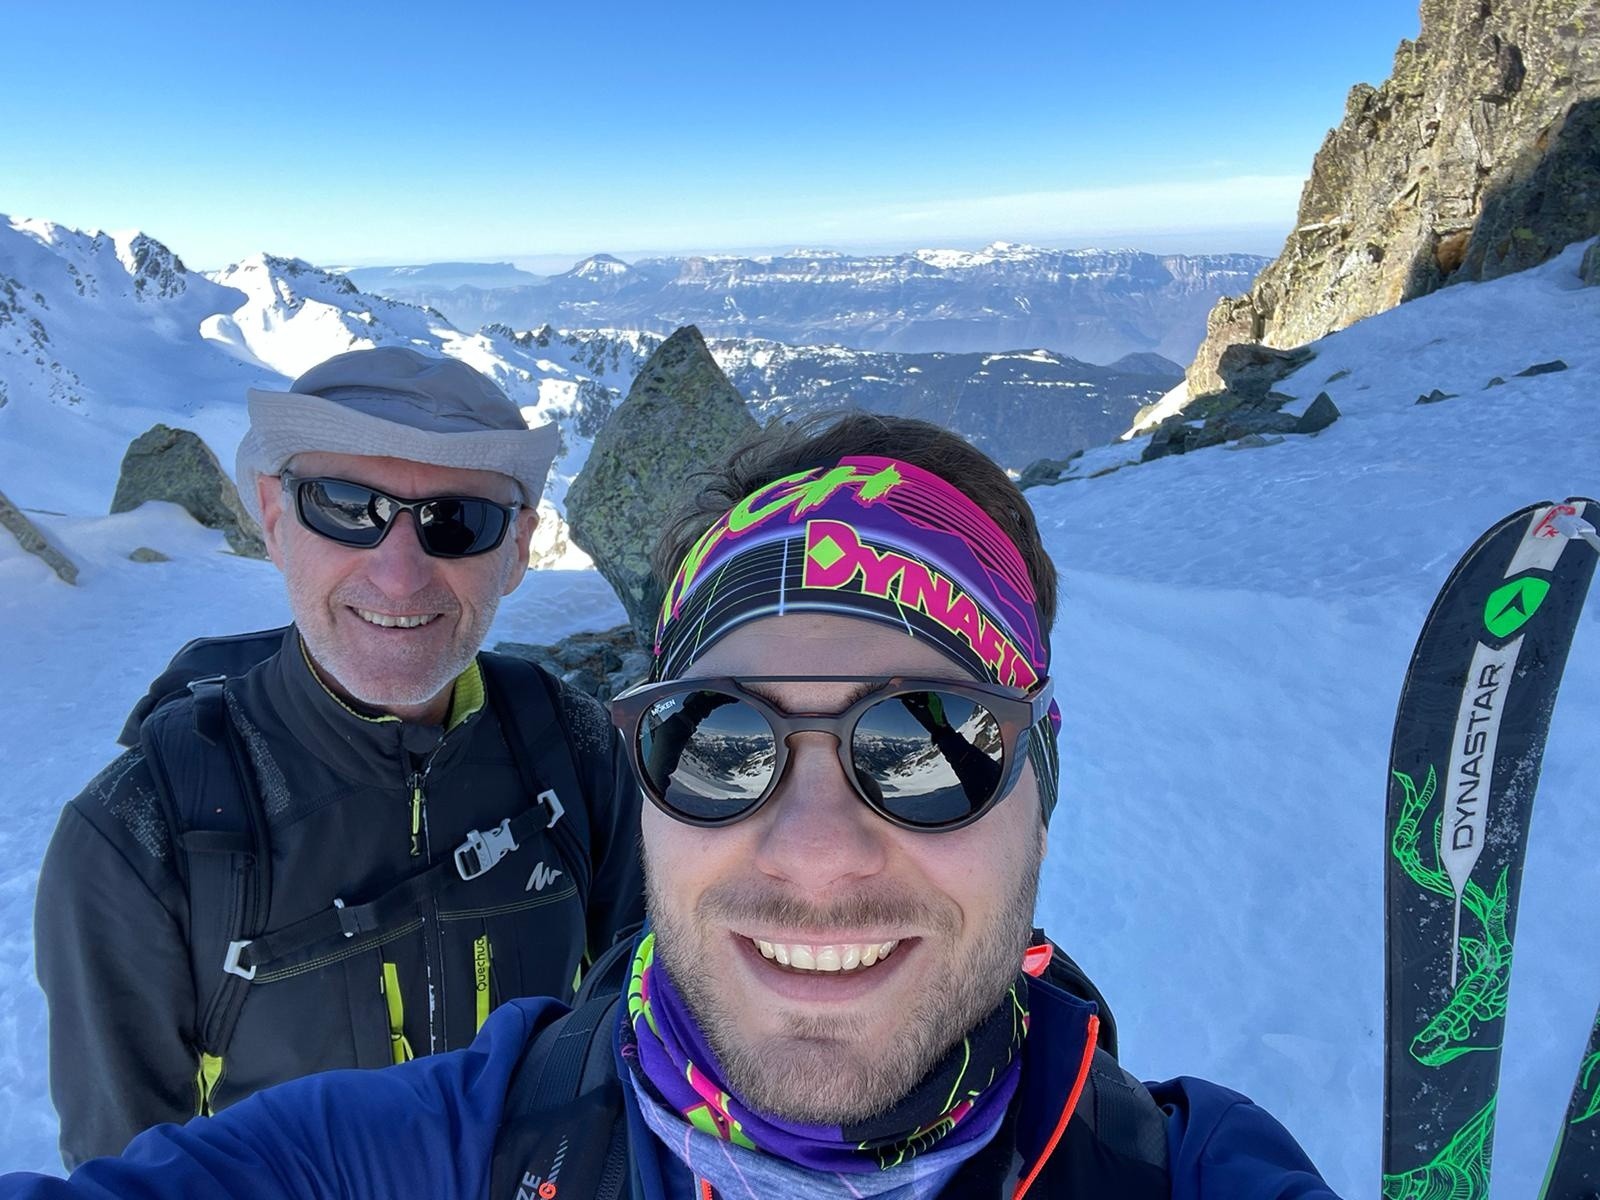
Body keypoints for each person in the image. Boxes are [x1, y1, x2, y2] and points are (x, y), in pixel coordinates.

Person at [10, 413, 1339, 1198]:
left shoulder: (1189, 1172)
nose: (816, 857)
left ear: (1041, 779)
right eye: (722, 739)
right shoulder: (452, 1144)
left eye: (928, 741)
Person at [32, 347, 645, 1168]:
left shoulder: (577, 753)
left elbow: (641, 1048)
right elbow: (133, 1177)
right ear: (275, 519)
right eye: (345, 506)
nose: (399, 576)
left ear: (520, 547)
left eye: (458, 520)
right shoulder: (143, 839)